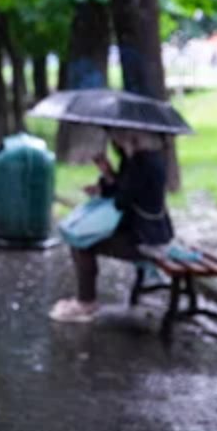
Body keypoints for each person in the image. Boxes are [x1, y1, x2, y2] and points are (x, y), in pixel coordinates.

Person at [50, 128, 174, 323]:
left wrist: (110, 176)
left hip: (148, 240)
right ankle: (86, 300)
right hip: (141, 232)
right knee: (83, 240)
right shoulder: (137, 159)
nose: (114, 140)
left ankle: (86, 302)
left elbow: (122, 200)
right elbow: (122, 190)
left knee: (83, 244)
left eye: (117, 135)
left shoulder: (144, 162)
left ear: (133, 135)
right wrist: (105, 178)